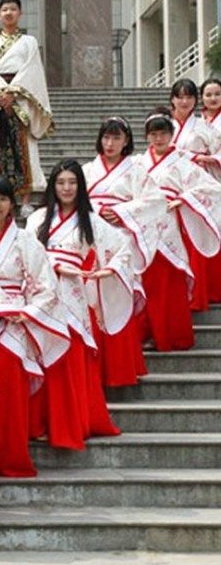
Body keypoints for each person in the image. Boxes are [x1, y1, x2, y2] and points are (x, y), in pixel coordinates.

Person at [0, 176, 69, 480]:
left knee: (11, 391)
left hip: (15, 324)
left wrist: (29, 311)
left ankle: (11, 456)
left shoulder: (25, 241)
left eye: (3, 199)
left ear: (11, 205)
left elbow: (45, 284)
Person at [27, 161, 131, 449]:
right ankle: (40, 422)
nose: (66, 188)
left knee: (70, 357)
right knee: (43, 355)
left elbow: (123, 248)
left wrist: (108, 271)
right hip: (44, 293)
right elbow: (28, 257)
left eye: (72, 182)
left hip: (74, 292)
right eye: (61, 182)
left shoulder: (92, 220)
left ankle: (70, 423)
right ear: (52, 186)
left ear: (80, 186)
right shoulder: (37, 219)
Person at [83, 117, 163, 386]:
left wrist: (122, 212)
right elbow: (70, 200)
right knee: (90, 298)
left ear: (126, 141)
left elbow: (156, 201)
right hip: (90, 237)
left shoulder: (136, 172)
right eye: (106, 137)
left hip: (121, 239)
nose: (110, 143)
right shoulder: (85, 171)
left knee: (117, 295)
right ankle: (93, 365)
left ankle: (119, 367)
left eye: (116, 138)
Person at [135, 111, 221, 348]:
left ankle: (171, 334)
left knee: (167, 281)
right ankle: (145, 332)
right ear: (147, 137)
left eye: (163, 133)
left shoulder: (183, 162)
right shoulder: (137, 163)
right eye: (153, 134)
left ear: (171, 135)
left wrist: (184, 199)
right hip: (143, 225)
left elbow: (212, 188)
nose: (159, 139)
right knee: (144, 280)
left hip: (170, 225)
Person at [0, 0, 54, 217]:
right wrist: (1, 93)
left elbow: (32, 70)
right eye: (4, 10)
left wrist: (14, 92)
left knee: (24, 151)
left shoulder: (29, 42)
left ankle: (26, 200)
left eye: (12, 9)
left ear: (20, 13)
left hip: (21, 100)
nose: (8, 13)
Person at [199, 77, 221, 301]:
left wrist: (212, 158)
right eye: (208, 94)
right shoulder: (198, 122)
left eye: (217, 94)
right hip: (201, 182)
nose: (213, 98)